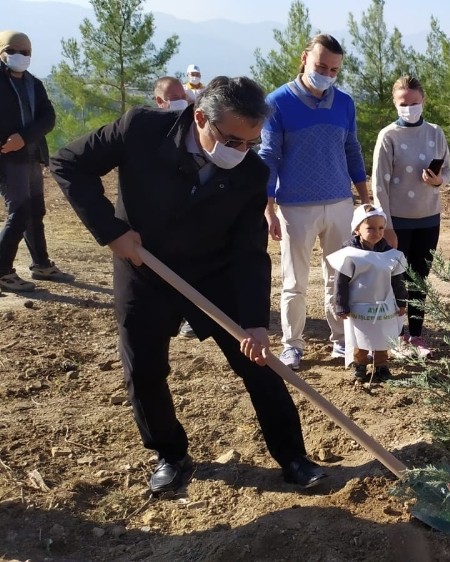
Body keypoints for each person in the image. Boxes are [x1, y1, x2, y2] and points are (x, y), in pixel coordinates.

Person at [50, 76, 327, 493]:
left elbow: (250, 251)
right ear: (201, 117)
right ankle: (171, 454)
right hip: (143, 265)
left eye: (250, 143)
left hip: (212, 274)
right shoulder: (140, 129)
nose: (240, 152)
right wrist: (111, 231)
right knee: (144, 369)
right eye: (232, 141)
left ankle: (292, 456)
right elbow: (68, 162)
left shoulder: (251, 173)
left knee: (259, 365)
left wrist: (254, 322)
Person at [259, 34, 371, 371]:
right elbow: (268, 156)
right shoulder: (277, 102)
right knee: (294, 281)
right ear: (305, 58)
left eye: (334, 69)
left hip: (339, 203)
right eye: (321, 65)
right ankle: (292, 344)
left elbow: (352, 150)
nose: (327, 73)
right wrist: (269, 207)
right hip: (295, 207)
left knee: (339, 276)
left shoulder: (344, 104)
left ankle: (340, 339)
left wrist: (365, 201)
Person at [371, 75, 450, 358]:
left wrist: (437, 181)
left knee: (420, 278)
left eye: (414, 102)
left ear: (423, 100)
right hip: (398, 221)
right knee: (396, 279)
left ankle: (416, 335)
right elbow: (379, 184)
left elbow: (449, 172)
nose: (409, 108)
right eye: (403, 103)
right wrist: (387, 226)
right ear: (395, 103)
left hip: (429, 218)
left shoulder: (435, 132)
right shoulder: (388, 136)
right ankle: (395, 335)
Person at [0, 30, 74, 293]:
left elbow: (48, 117)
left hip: (31, 156)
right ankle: (3, 271)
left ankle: (41, 264)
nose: (20, 55)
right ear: (1, 51)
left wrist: (25, 137)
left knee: (34, 212)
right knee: (19, 212)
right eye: (13, 50)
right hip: (7, 159)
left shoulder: (34, 83)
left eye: (25, 51)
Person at [329, 205, 407, 382]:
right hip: (359, 306)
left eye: (381, 228)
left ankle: (381, 366)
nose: (377, 232)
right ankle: (360, 365)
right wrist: (342, 305)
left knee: (383, 336)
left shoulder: (389, 254)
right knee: (360, 336)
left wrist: (401, 302)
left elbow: (397, 280)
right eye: (370, 228)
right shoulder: (349, 254)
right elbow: (341, 282)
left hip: (384, 305)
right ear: (357, 229)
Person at [152, 75, 197, 338]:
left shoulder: (193, 126)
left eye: (184, 97)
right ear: (160, 101)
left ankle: (192, 317)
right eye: (175, 98)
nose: (182, 102)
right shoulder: (149, 130)